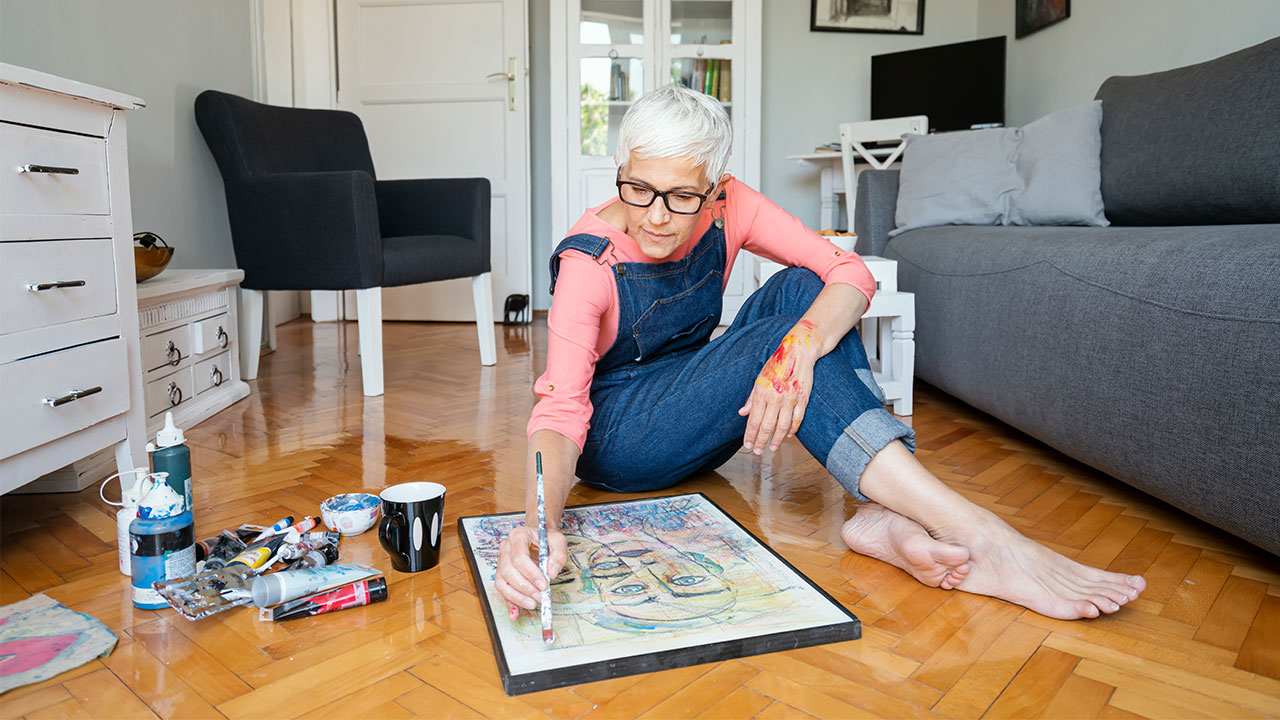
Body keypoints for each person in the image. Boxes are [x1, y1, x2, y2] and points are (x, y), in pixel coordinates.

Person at [496, 85, 1145, 622]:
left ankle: (883, 515)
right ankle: (980, 534)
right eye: (638, 188)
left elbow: (849, 273)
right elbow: (558, 414)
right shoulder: (589, 261)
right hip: (622, 436)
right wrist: (537, 522)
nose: (657, 216)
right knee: (771, 338)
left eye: (682, 197)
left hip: (690, 391)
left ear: (716, 190)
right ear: (624, 171)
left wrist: (802, 346)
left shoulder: (734, 208)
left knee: (806, 288)